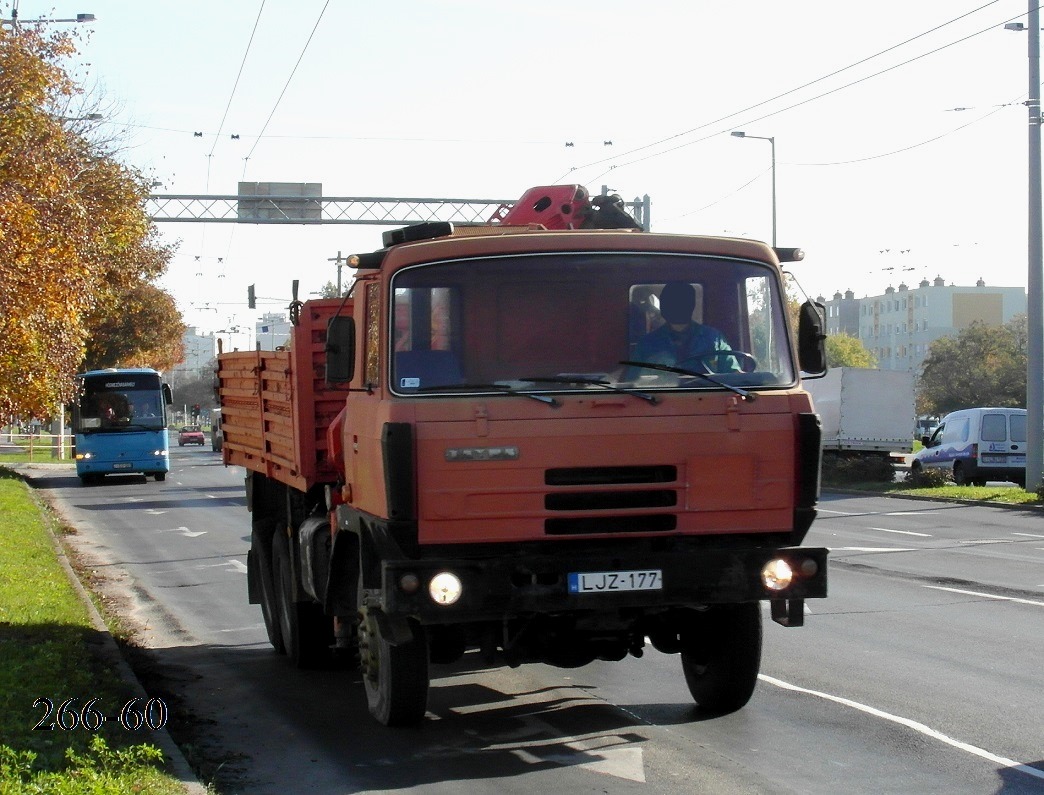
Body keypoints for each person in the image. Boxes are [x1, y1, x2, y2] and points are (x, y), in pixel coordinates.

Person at [629, 281, 739, 375]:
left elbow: (734, 377)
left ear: (691, 305)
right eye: (672, 302)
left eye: (682, 301)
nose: (677, 306)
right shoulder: (647, 344)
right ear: (663, 307)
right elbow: (633, 384)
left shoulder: (714, 339)